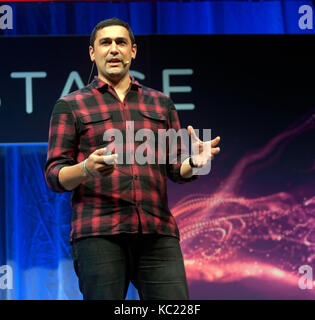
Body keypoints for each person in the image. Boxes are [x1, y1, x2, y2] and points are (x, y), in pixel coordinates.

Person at [44, 17, 221, 300]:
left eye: (121, 42)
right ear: (93, 52)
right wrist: (86, 169)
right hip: (99, 233)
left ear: (133, 51)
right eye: (105, 43)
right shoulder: (70, 106)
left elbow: (176, 168)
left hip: (156, 231)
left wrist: (195, 163)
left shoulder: (161, 103)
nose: (113, 49)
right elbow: (54, 174)